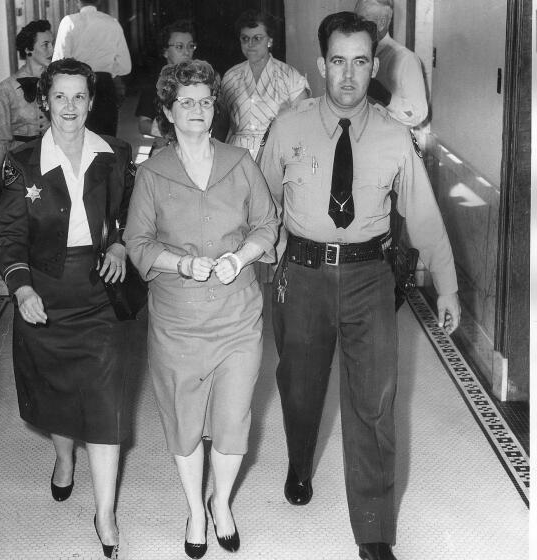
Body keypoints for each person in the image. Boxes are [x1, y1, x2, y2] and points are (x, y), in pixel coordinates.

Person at [258, 12, 460, 560]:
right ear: (322, 64)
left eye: (361, 62)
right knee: (300, 391)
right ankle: (301, 463)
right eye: (338, 62)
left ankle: (373, 532)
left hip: (371, 278)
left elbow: (424, 215)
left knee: (374, 404)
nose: (349, 76)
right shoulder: (289, 127)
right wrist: (261, 256)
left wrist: (447, 286)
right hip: (299, 277)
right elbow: (261, 200)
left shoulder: (396, 137)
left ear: (376, 66)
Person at [125, 59, 279, 559]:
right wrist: (180, 264)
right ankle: (195, 508)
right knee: (185, 419)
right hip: (177, 322)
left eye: (206, 101)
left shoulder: (240, 162)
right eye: (186, 102)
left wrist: (242, 256)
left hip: (238, 316)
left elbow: (266, 225)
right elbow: (137, 243)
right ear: (168, 111)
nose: (197, 110)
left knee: (235, 420)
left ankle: (222, 503)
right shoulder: (151, 174)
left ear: (217, 108)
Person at [0, 58, 135, 559]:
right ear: (44, 102)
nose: (70, 107)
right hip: (44, 292)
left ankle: (106, 512)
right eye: (60, 97)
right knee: (56, 389)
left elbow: (126, 219)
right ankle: (62, 457)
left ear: (92, 101)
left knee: (103, 401)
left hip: (99, 288)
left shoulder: (115, 154)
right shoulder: (22, 163)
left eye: (80, 97)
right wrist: (21, 288)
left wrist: (119, 246)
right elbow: (9, 238)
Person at [219, 10, 309, 160]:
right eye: (245, 38)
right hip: (236, 157)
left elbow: (304, 124)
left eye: (257, 38)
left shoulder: (290, 76)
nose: (250, 44)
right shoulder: (231, 77)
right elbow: (221, 124)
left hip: (276, 155)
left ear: (270, 41)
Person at [0, 20, 53, 198]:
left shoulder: (57, 83)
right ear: (28, 50)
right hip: (20, 164)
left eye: (52, 44)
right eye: (45, 45)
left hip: (53, 160)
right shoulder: (7, 88)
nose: (52, 50)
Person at [52, 0, 131, 136]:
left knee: (77, 138)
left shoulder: (69, 22)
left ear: (77, 1)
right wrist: (108, 70)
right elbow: (125, 66)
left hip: (76, 86)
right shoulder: (112, 23)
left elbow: (58, 64)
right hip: (104, 86)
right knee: (106, 138)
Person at [354, 0, 428, 127]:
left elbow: (419, 114)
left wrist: (386, 97)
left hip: (390, 141)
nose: (355, 26)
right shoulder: (354, 54)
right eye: (354, 19)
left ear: (381, 23)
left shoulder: (406, 59)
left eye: (361, 20)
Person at [135, 19, 196, 155]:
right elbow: (143, 124)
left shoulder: (200, 83)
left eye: (190, 46)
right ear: (165, 52)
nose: (187, 52)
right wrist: (169, 131)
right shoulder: (154, 83)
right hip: (164, 150)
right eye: (179, 47)